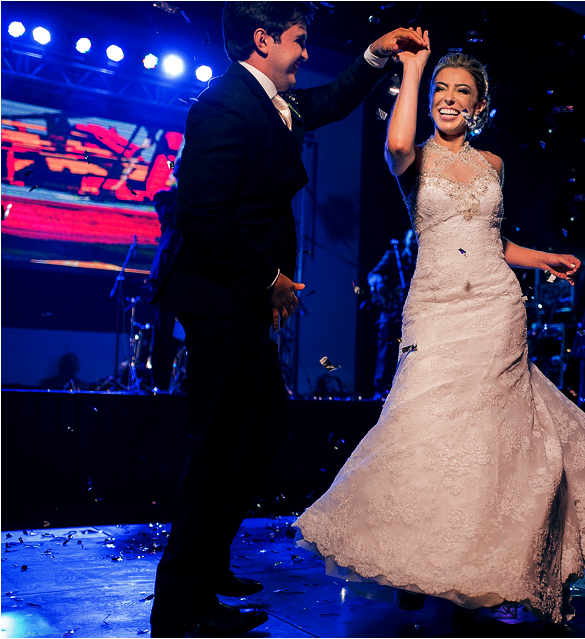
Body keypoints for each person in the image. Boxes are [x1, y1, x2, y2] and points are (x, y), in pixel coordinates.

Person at [294, 35, 585, 624]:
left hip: (495, 306)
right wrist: (414, 67)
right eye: (442, 90)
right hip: (435, 309)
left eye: (462, 92)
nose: (449, 99)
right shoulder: (411, 157)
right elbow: (395, 143)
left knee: (494, 436)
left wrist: (541, 257)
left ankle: (494, 560)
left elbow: (492, 241)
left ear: (480, 107)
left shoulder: (494, 164)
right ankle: (418, 556)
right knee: (421, 425)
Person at [148, 3, 425, 636]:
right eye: (299, 40)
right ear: (263, 39)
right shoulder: (224, 106)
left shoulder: (272, 101)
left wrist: (377, 54)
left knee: (263, 429)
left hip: (240, 302)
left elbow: (332, 100)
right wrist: (266, 280)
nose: (305, 52)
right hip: (220, 301)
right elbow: (201, 216)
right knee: (220, 447)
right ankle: (180, 605)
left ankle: (208, 565)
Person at [367, 228, 417, 398]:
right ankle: (380, 389)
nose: (414, 241)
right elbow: (373, 274)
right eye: (411, 237)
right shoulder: (394, 256)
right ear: (405, 240)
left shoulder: (423, 259)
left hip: (412, 313)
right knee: (386, 348)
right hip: (391, 310)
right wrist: (380, 284)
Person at [146, 169, 182, 393]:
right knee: (164, 332)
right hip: (167, 273)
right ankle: (160, 387)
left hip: (193, 274)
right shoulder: (165, 197)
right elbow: (173, 216)